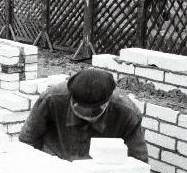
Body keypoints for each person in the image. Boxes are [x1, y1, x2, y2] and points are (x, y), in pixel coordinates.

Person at [18, 67, 148, 162]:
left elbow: (138, 162)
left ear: (106, 103)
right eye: (80, 109)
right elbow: (28, 140)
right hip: (55, 165)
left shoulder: (127, 113)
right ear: (71, 99)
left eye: (93, 112)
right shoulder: (52, 99)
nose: (87, 116)